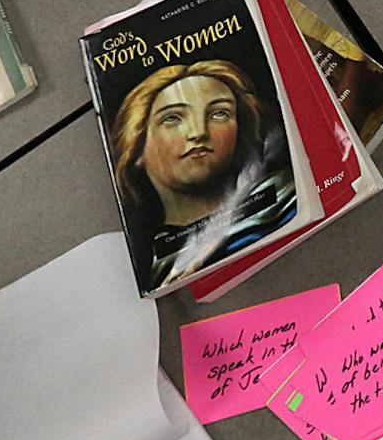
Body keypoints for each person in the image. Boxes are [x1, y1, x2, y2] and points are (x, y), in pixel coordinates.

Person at [108, 60, 298, 291]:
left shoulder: (292, 201)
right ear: (136, 146)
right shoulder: (147, 269)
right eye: (172, 118)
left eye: (219, 113)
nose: (198, 133)